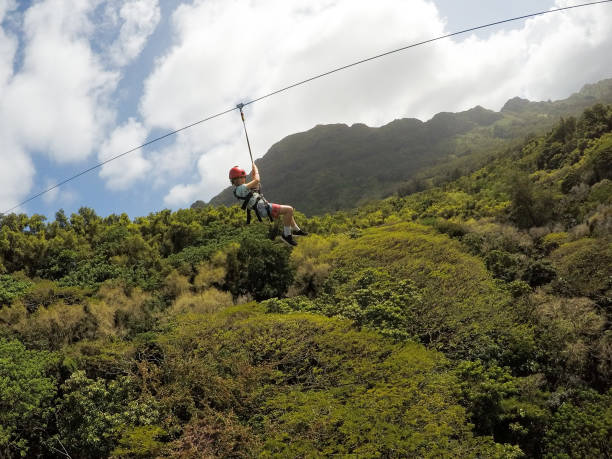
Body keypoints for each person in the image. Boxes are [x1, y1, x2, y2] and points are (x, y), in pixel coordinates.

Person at [229, 163, 307, 246]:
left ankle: (296, 230)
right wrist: (256, 170)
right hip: (262, 207)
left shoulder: (240, 189)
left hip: (262, 207)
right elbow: (257, 180)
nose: (241, 179)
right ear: (234, 181)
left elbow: (255, 184)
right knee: (289, 210)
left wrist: (254, 175)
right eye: (238, 178)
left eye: (242, 177)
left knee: (287, 213)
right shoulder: (242, 188)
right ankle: (287, 235)